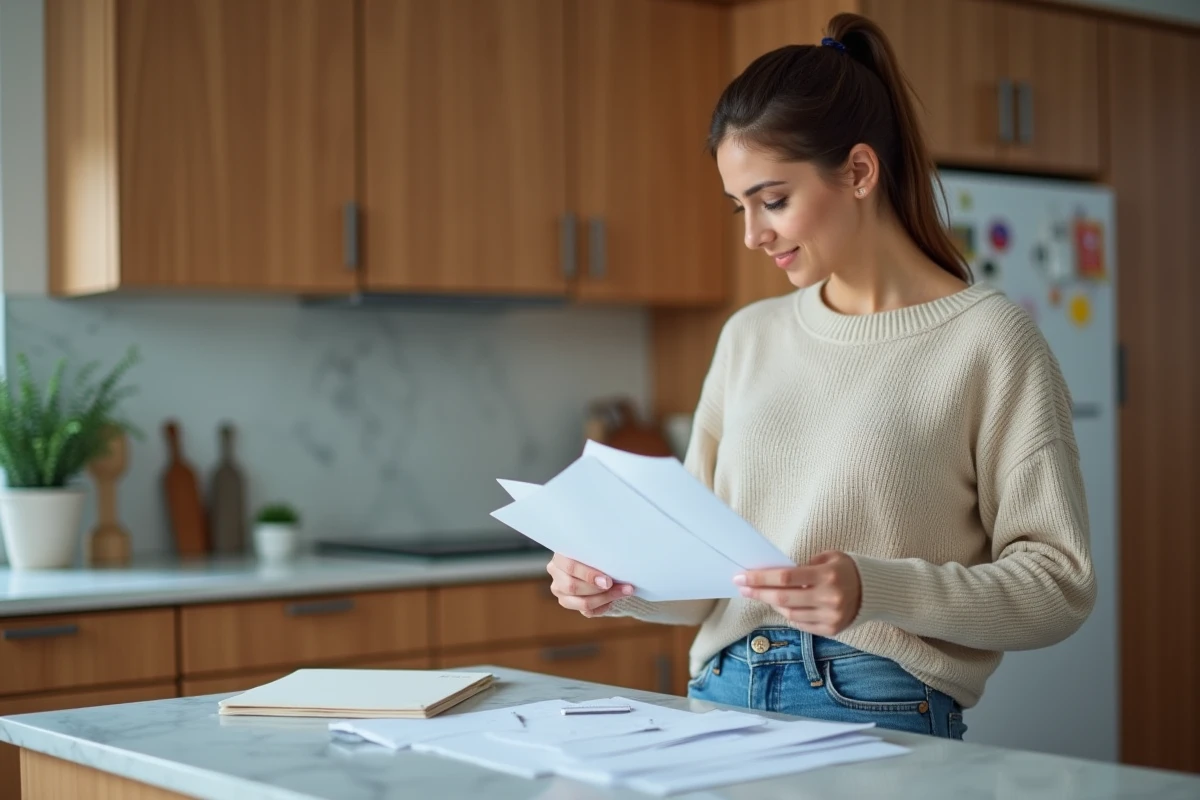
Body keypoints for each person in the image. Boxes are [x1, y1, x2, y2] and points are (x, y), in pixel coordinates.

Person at [547, 12, 1096, 739]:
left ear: (860, 171)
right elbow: (711, 575)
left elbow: (1059, 585)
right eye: (739, 207)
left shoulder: (989, 339)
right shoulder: (750, 336)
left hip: (875, 698)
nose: (753, 234)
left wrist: (875, 589)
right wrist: (617, 584)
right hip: (719, 692)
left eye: (773, 200)